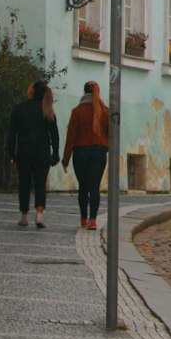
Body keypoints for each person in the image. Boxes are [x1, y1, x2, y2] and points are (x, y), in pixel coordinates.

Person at [7, 79, 59, 229]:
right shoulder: (47, 110)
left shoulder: (19, 108)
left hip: (24, 151)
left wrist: (11, 153)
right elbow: (54, 134)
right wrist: (55, 154)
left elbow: (11, 133)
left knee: (24, 183)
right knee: (40, 184)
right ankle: (39, 214)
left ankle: (24, 215)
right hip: (42, 153)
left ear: (32, 91)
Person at [62, 80, 110, 229]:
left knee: (83, 186)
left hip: (81, 152)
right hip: (99, 151)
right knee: (95, 186)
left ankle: (83, 218)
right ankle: (93, 220)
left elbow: (71, 136)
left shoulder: (77, 112)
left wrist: (65, 159)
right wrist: (106, 147)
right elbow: (111, 134)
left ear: (84, 93)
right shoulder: (105, 111)